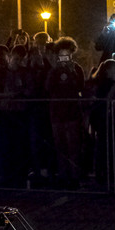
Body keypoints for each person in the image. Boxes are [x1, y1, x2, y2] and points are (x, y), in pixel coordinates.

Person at [45, 37, 84, 187]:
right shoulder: (54, 70)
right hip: (57, 112)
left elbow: (80, 87)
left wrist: (72, 72)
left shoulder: (77, 68)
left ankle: (74, 177)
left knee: (73, 146)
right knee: (60, 146)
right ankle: (63, 176)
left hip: (72, 112)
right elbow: (48, 87)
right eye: (61, 55)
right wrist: (54, 70)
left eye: (67, 55)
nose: (64, 58)